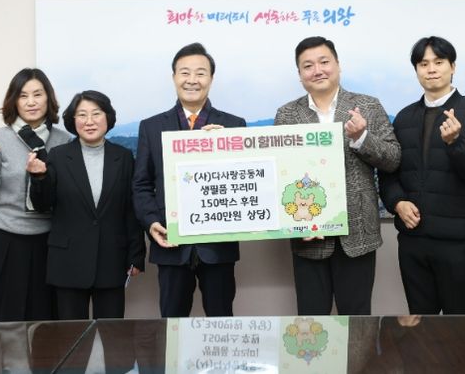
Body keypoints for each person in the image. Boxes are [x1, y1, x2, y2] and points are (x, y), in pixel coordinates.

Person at [274, 36, 401, 315]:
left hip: (358, 233)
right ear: (300, 74)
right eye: (308, 65)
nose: (317, 70)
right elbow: (279, 175)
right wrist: (296, 224)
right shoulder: (287, 115)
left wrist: (362, 137)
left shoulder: (367, 106)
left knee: (356, 322)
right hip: (308, 235)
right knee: (310, 324)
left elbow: (393, 159)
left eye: (324, 62)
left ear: (338, 65)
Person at [378, 36, 465, 315]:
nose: (431, 69)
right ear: (416, 70)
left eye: (439, 62)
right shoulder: (404, 118)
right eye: (423, 64)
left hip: (457, 240)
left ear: (452, 67)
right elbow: (388, 172)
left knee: (458, 322)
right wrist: (397, 202)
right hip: (412, 238)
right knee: (419, 320)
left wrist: (458, 142)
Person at [133, 42, 246, 317]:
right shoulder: (151, 126)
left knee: (221, 322)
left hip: (218, 246)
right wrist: (152, 222)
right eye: (185, 72)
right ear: (174, 77)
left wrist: (225, 147)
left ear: (211, 79)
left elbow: (247, 179)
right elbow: (141, 184)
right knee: (172, 323)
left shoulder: (234, 125)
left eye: (200, 73)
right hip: (170, 242)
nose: (192, 80)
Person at [0, 68, 70, 323]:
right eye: (23, 96)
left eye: (37, 94)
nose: (31, 102)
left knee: (44, 326)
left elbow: (67, 197)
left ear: (48, 98)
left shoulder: (64, 141)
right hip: (2, 238)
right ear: (14, 101)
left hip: (47, 242)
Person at [27, 90, 146, 319]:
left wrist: (136, 255)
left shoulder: (123, 157)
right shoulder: (58, 156)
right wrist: (38, 177)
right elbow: (42, 205)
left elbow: (130, 210)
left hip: (111, 258)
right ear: (73, 121)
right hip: (68, 260)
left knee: (111, 335)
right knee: (71, 335)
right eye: (82, 115)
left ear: (107, 117)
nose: (89, 121)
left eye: (96, 113)